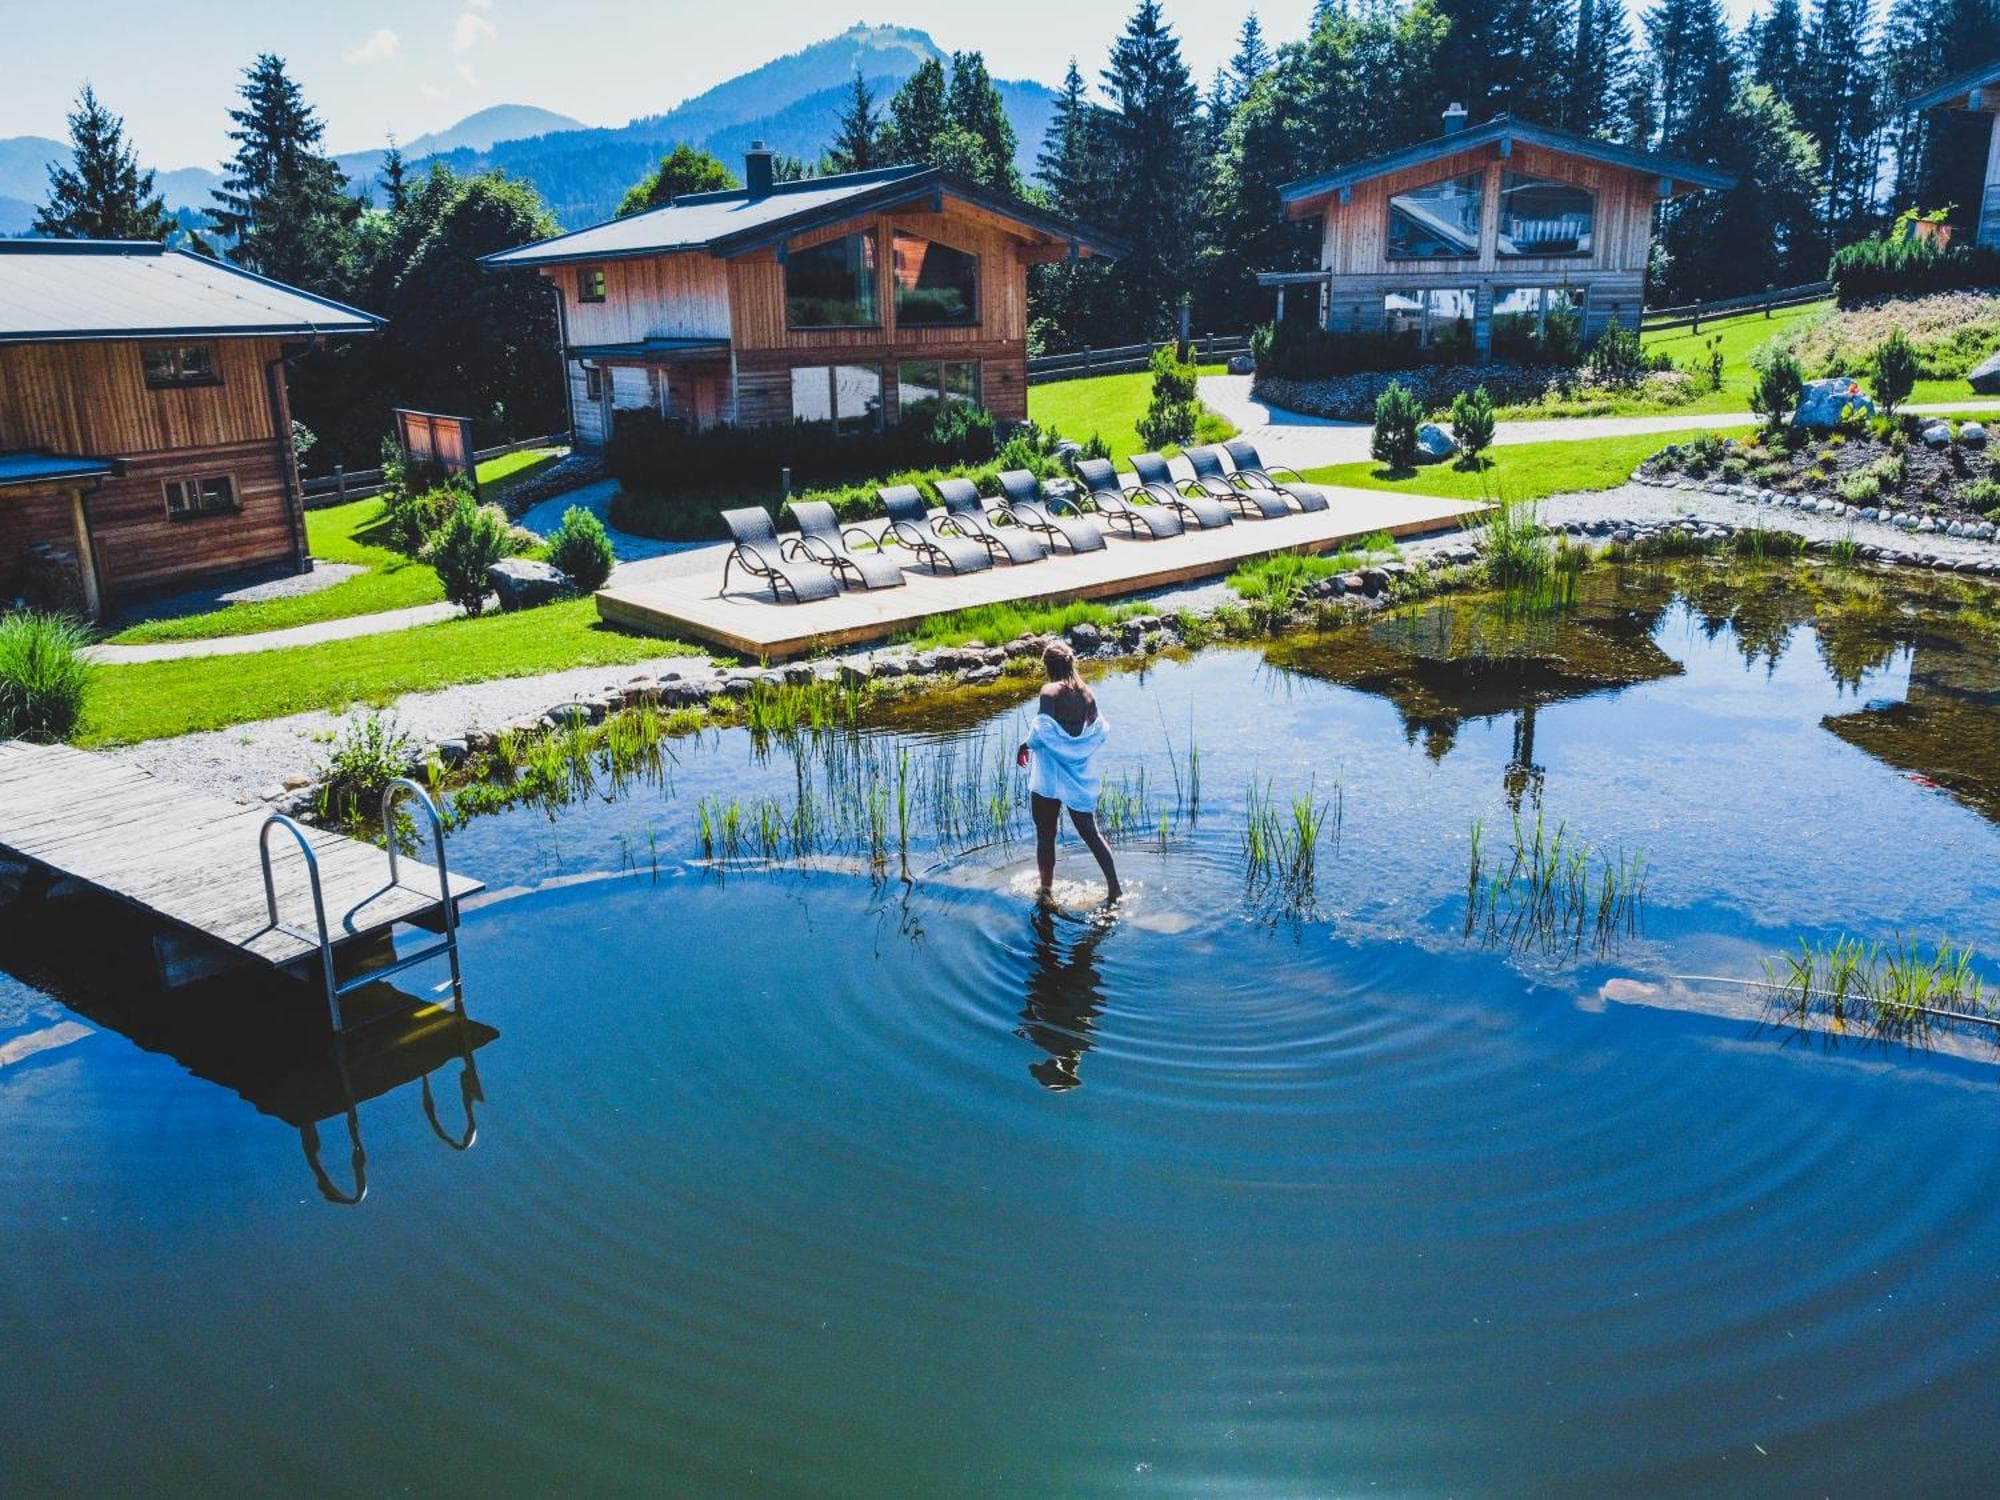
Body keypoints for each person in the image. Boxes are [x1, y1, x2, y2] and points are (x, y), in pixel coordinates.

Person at [1016, 642, 1121, 903]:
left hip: (1049, 774)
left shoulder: (1049, 692)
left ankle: (1046, 890)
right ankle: (1115, 889)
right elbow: (1098, 730)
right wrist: (1075, 750)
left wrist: (1025, 744)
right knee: (1091, 833)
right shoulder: (1087, 694)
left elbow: (1042, 730)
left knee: (1046, 835)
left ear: (1048, 666)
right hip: (1076, 774)